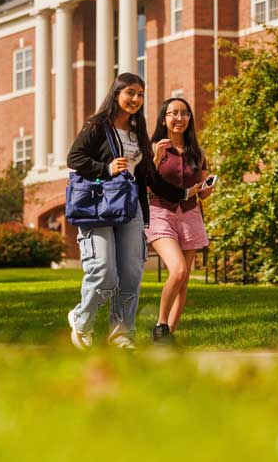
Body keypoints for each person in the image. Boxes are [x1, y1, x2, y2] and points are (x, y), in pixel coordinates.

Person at [66, 73, 187, 349]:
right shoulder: (97, 126)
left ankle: (121, 334)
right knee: (104, 271)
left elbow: (148, 175)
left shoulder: (137, 131)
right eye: (130, 93)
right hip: (99, 207)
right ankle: (81, 320)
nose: (136, 99)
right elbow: (74, 158)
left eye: (141, 94)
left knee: (131, 275)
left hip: (131, 207)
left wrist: (182, 194)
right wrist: (106, 169)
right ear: (117, 94)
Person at [146, 97, 213, 345]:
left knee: (183, 282)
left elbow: (203, 190)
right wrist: (155, 157)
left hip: (190, 214)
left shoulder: (198, 152)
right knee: (179, 269)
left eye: (184, 114)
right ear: (164, 118)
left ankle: (168, 337)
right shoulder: (154, 147)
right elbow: (144, 181)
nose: (179, 118)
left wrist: (207, 188)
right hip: (160, 212)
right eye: (173, 113)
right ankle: (160, 326)